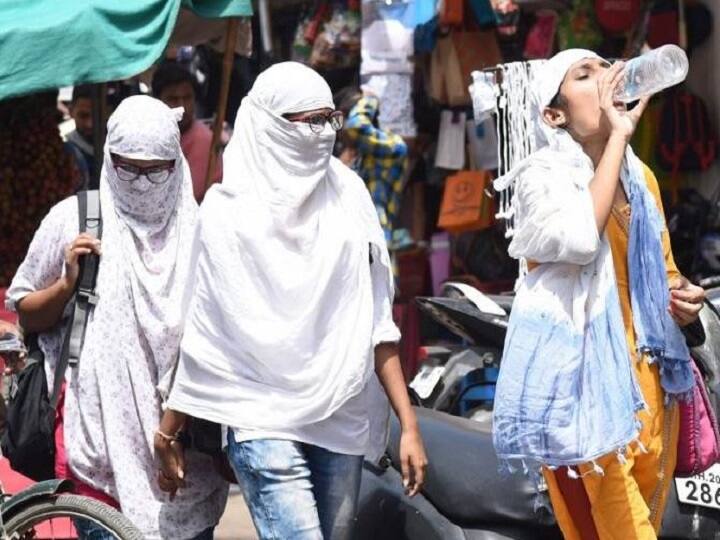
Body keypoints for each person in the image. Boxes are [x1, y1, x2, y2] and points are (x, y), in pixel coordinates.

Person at [153, 62, 428, 540]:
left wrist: (408, 424)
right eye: (311, 122)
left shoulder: (349, 199)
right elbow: (205, 336)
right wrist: (168, 430)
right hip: (258, 416)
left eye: (330, 120)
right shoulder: (225, 213)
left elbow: (376, 323)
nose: (325, 134)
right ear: (270, 126)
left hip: (340, 412)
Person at [492, 49, 705, 539]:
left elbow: (665, 272)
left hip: (649, 389)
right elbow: (582, 239)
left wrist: (683, 298)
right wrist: (619, 137)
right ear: (554, 114)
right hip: (583, 394)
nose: (606, 78)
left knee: (643, 522)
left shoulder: (641, 177)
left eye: (604, 67)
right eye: (584, 75)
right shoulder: (542, 180)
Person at [6, 96, 227, 539]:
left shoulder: (205, 235)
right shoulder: (76, 219)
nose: (142, 184)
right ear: (108, 160)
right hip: (100, 454)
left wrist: (173, 434)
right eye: (128, 169)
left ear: (176, 164)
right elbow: (26, 310)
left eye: (156, 170)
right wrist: (66, 284)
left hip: (187, 469)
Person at [334, 87, 408, 245]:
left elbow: (356, 127)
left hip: (373, 246)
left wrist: (369, 100)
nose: (339, 128)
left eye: (343, 119)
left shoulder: (392, 148)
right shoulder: (338, 157)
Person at [152, 61, 223, 203]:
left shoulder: (205, 141)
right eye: (173, 99)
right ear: (158, 101)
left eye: (187, 98)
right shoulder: (146, 139)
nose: (182, 106)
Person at [65, 85, 100, 189]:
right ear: (71, 111)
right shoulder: (68, 153)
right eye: (83, 116)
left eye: (96, 115)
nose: (89, 124)